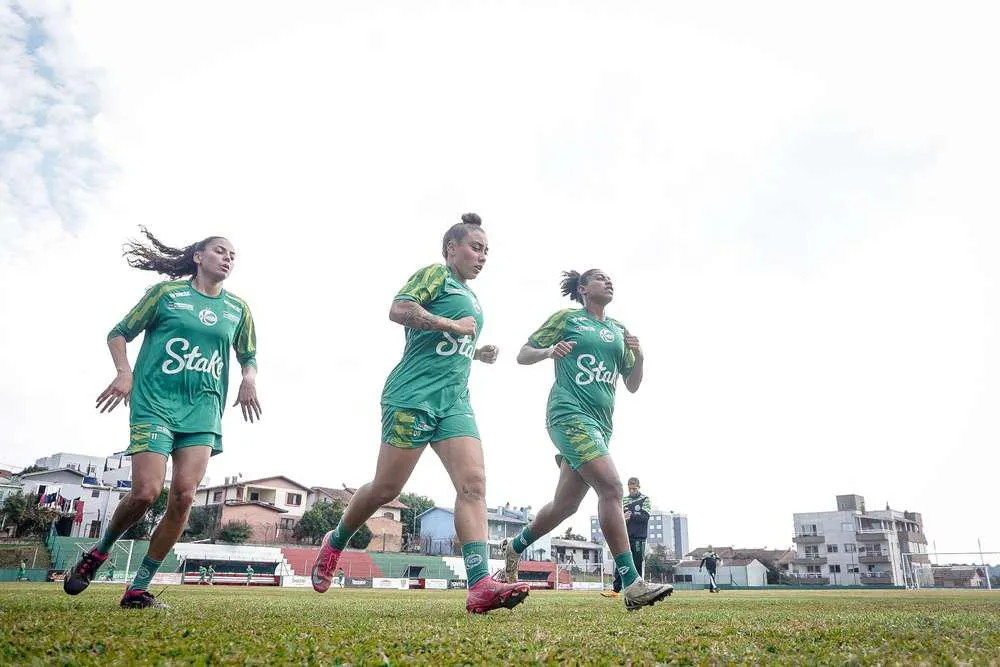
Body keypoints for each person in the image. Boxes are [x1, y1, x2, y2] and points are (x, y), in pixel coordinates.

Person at [311, 213, 530, 613]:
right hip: (412, 397)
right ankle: (336, 540)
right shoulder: (435, 275)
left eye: (487, 252)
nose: (483, 257)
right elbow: (399, 310)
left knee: (474, 484)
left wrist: (475, 350)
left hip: (455, 401)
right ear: (452, 248)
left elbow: (446, 341)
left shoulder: (471, 294)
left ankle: (480, 584)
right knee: (386, 489)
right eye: (475, 248)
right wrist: (456, 326)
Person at [62, 228, 261, 609]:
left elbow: (248, 355)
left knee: (184, 496)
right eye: (220, 251)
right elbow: (119, 333)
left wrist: (249, 378)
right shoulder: (166, 295)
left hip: (203, 409)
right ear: (199, 257)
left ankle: (138, 588)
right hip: (154, 402)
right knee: (146, 492)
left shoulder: (238, 308)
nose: (228, 259)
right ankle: (99, 553)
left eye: (233, 256)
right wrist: (124, 372)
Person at [499, 269, 673, 611]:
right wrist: (550, 351)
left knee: (565, 506)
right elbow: (523, 353)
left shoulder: (619, 331)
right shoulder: (567, 318)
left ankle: (514, 547)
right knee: (611, 488)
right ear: (583, 288)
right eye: (600, 279)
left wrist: (641, 356)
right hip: (567, 415)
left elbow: (633, 384)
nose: (609, 282)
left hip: (601, 426)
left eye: (611, 279)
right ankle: (632, 583)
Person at [603, 476, 651, 598]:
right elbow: (617, 516)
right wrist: (623, 518)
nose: (632, 491)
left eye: (634, 488)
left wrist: (632, 515)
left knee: (637, 563)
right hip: (624, 536)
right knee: (621, 561)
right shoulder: (623, 500)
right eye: (630, 489)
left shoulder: (645, 499)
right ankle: (615, 590)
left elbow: (645, 517)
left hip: (639, 537)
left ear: (639, 487)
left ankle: (639, 591)